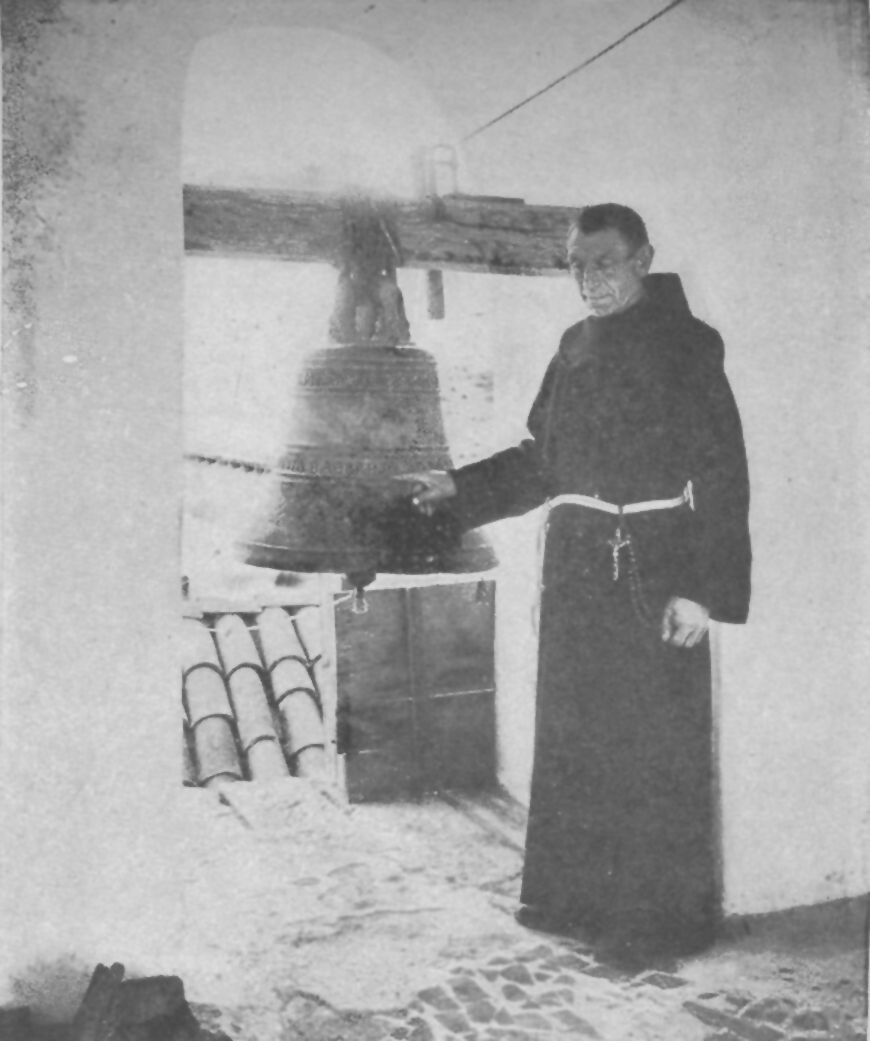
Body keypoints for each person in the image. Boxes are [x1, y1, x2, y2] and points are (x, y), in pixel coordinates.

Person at [402, 203, 751, 966]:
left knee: (653, 742)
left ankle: (658, 922)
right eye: (577, 265)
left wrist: (704, 591)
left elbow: (724, 473)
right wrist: (459, 486)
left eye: (605, 263)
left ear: (643, 259)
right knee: (576, 734)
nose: (589, 279)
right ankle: (572, 899)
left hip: (658, 562)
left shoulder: (690, 346)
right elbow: (543, 461)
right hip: (576, 566)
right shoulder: (572, 348)